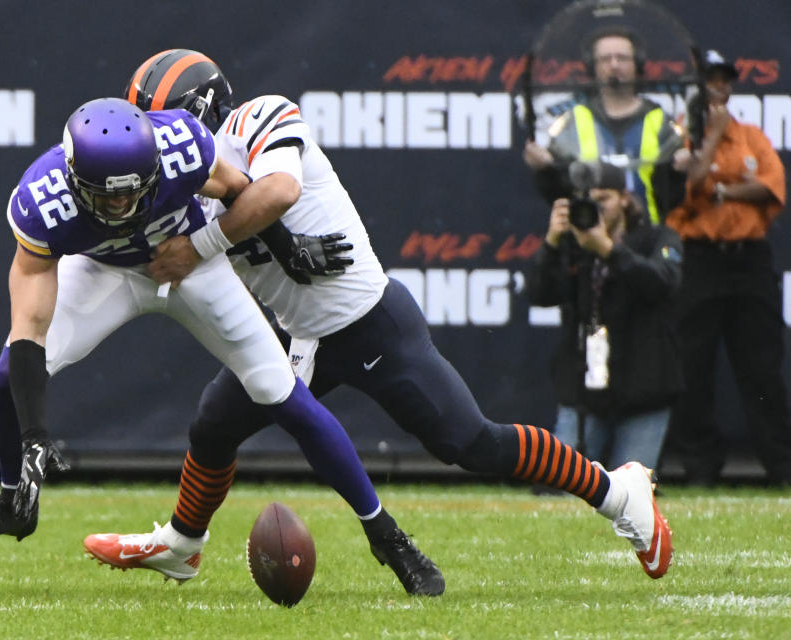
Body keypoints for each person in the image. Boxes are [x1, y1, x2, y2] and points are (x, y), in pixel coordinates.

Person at [81, 49, 674, 582]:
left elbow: (279, 191)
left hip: (369, 321)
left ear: (202, 114)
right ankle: (183, 545)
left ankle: (618, 492)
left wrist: (202, 246)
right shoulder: (174, 182)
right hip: (295, 333)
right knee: (214, 423)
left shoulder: (259, 118)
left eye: (162, 126)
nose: (153, 143)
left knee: (470, 442)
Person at [0, 96, 445, 596]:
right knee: (5, 377)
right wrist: (35, 435)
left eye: (131, 191)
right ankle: (9, 501)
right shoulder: (42, 202)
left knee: (282, 393)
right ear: (73, 177)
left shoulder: (181, 146)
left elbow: (239, 189)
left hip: (191, 265)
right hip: (106, 273)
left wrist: (288, 250)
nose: (121, 205)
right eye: (106, 195)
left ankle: (386, 535)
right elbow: (28, 332)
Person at [666, 50, 791, 486]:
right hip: (699, 259)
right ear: (694, 89)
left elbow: (772, 186)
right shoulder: (678, 140)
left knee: (762, 367)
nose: (718, 89)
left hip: (749, 259)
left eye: (723, 81)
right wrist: (711, 143)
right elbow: (684, 190)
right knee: (693, 369)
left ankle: (781, 467)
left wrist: (721, 193)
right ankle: (700, 466)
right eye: (708, 81)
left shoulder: (752, 137)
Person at [525, 162, 684, 471]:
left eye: (604, 200)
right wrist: (551, 243)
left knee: (632, 491)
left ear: (624, 198)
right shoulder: (573, 245)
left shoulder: (656, 237)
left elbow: (663, 283)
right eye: (588, 201)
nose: (596, 209)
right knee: (564, 485)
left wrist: (609, 251)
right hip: (585, 388)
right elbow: (539, 294)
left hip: (645, 386)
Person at [523, 25, 685, 224]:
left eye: (622, 58)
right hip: (588, 232)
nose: (614, 65)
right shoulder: (573, 121)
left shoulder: (660, 121)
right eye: (605, 59)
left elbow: (673, 198)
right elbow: (558, 193)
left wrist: (678, 172)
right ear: (593, 67)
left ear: (638, 65)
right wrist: (544, 170)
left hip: (647, 236)